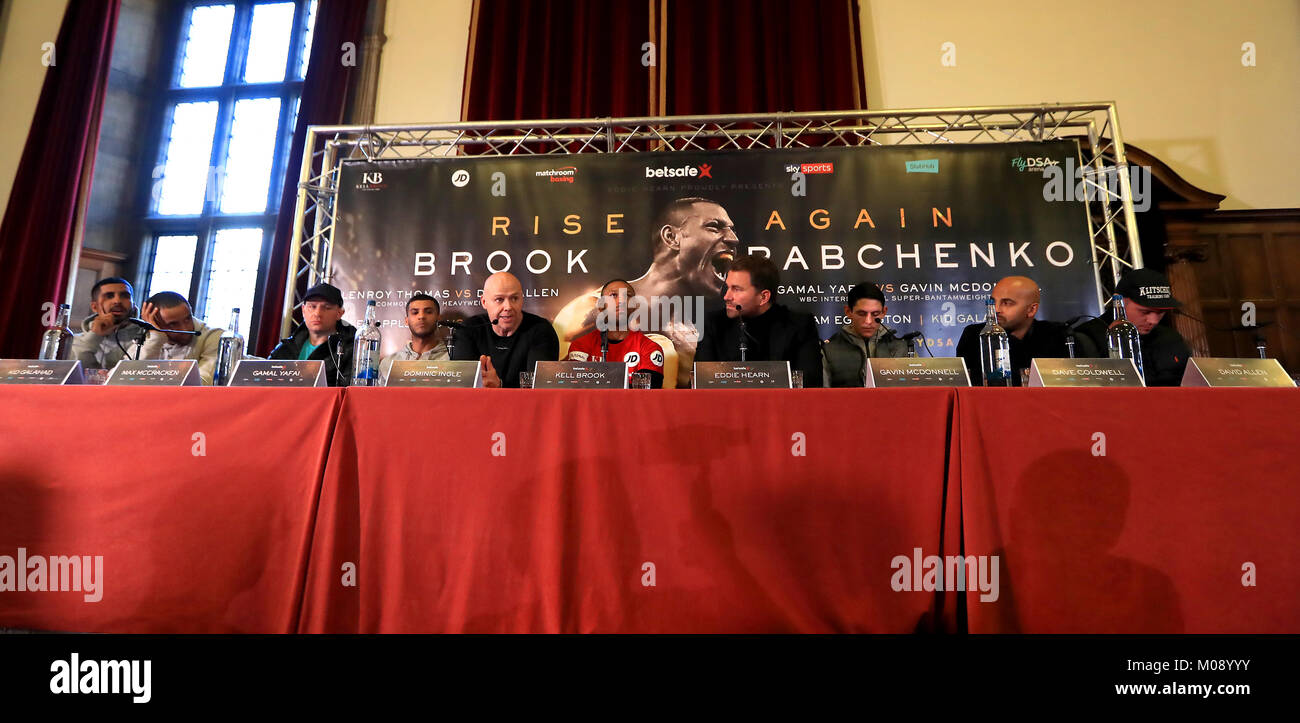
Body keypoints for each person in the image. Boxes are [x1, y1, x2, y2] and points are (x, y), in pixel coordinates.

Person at [553, 197, 739, 388]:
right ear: (671, 237)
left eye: (732, 229)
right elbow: (557, 386)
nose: (733, 239)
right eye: (714, 227)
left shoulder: (690, 336)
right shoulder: (590, 309)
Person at [694, 254, 823, 386]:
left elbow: (809, 383)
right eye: (727, 288)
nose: (727, 296)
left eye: (736, 289)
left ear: (763, 297)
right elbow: (702, 383)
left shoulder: (799, 325)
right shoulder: (714, 324)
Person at [1073, 268, 1192, 387]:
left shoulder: (1171, 338)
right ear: (1119, 302)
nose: (1153, 321)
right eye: (1145, 312)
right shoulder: (1086, 339)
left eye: (1161, 312)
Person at [449, 271, 559, 388]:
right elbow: (464, 385)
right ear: (484, 302)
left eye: (514, 298)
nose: (508, 307)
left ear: (522, 299)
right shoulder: (468, 329)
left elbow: (540, 387)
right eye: (499, 299)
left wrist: (500, 386)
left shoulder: (540, 329)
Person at [956, 276, 1071, 386]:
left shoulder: (1056, 335)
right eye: (993, 302)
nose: (996, 309)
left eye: (1006, 303)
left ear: (1031, 309)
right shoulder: (974, 335)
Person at [565, 279, 667, 388]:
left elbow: (646, 394)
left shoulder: (649, 348)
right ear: (601, 306)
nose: (621, 301)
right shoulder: (580, 346)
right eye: (613, 295)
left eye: (627, 296)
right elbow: (576, 389)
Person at [822, 282, 910, 387]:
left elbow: (917, 395)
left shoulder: (902, 347)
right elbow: (822, 397)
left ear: (884, 312)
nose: (868, 321)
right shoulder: (828, 350)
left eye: (875, 314)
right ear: (848, 312)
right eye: (862, 314)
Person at [268, 282, 356, 386]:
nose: (317, 313)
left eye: (326, 308)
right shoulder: (285, 348)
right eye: (312, 307)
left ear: (339, 313)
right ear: (303, 310)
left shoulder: (351, 350)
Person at [136, 291, 225, 385]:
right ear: (156, 323)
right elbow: (130, 378)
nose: (185, 328)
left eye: (188, 319)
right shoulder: (146, 337)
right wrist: (156, 339)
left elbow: (203, 382)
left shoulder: (214, 336)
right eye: (173, 324)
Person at [70, 277, 147, 370]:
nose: (117, 301)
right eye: (109, 296)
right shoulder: (75, 342)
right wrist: (94, 336)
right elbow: (76, 371)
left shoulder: (147, 338)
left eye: (124, 296)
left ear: (133, 305)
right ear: (94, 307)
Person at [378, 293, 449, 382]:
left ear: (438, 318)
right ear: (406, 321)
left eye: (428, 312)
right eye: (415, 312)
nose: (421, 316)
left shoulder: (452, 359)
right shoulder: (389, 363)